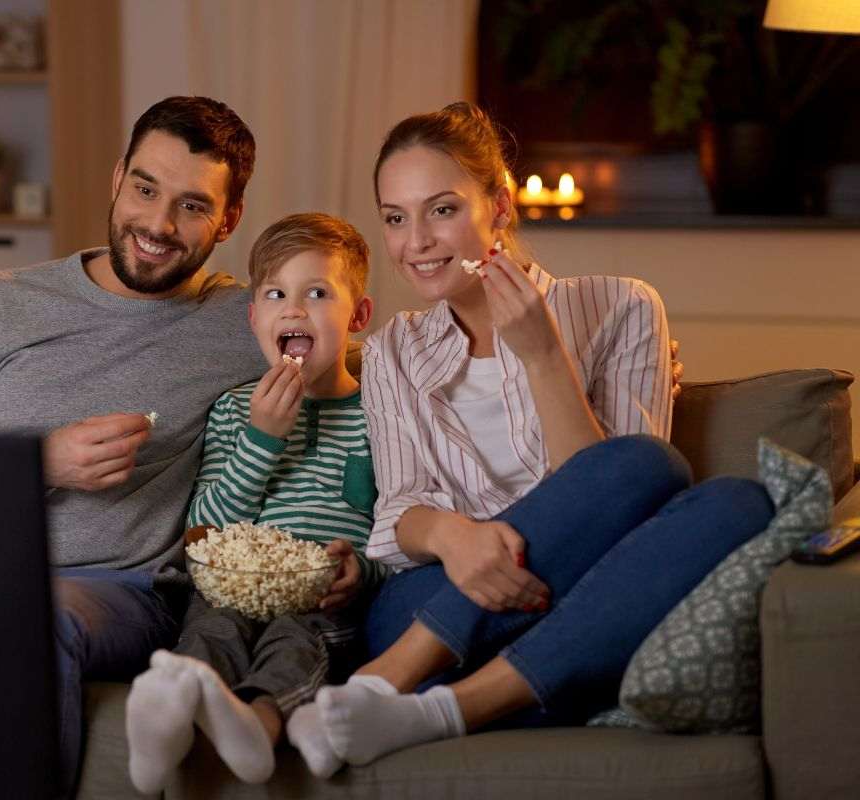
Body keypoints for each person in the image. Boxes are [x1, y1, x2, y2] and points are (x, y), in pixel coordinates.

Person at [285, 102, 775, 777]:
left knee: (735, 500)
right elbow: (398, 513)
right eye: (396, 217)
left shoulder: (624, 307)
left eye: (442, 209)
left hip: (577, 600)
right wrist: (457, 539)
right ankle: (412, 672)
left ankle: (421, 704)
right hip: (428, 603)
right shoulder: (395, 349)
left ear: (501, 206)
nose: (417, 241)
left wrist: (543, 356)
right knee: (642, 489)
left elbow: (625, 499)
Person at [0, 96, 270, 799]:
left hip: (119, 594)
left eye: (193, 206)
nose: (158, 226)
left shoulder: (246, 321)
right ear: (116, 179)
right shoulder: (0, 303)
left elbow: (374, 360)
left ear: (229, 219)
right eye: (145, 189)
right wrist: (40, 464)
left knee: (34, 619)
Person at [124, 213, 383, 792]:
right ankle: (166, 719)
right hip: (235, 584)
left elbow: (393, 533)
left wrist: (360, 572)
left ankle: (257, 725)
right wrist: (262, 439)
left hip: (321, 597)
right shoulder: (234, 410)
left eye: (317, 293)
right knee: (211, 629)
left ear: (358, 317)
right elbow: (204, 533)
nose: (294, 310)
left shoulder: (381, 418)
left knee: (299, 639)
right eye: (275, 294)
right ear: (254, 318)